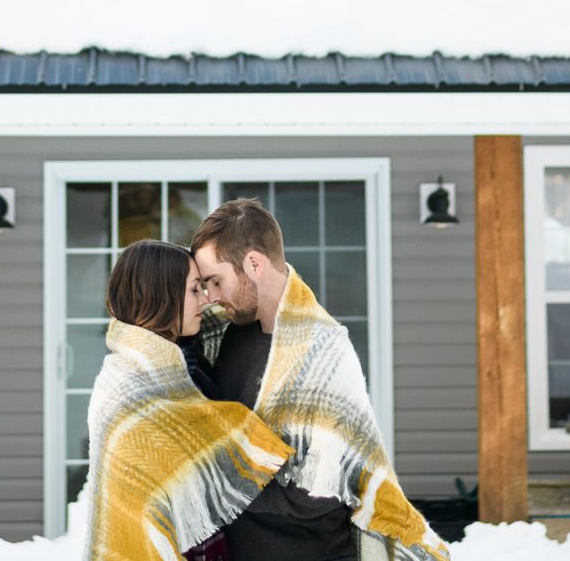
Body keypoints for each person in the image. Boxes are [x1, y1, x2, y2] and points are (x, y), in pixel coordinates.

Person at [191, 201, 447, 561]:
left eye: (215, 281)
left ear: (253, 264)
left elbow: (317, 493)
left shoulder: (321, 352)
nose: (211, 296)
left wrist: (213, 482)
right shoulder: (228, 336)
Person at [84, 239, 291, 561]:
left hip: (210, 539)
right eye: (195, 289)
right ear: (161, 296)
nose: (206, 298)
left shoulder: (189, 360)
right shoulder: (131, 386)